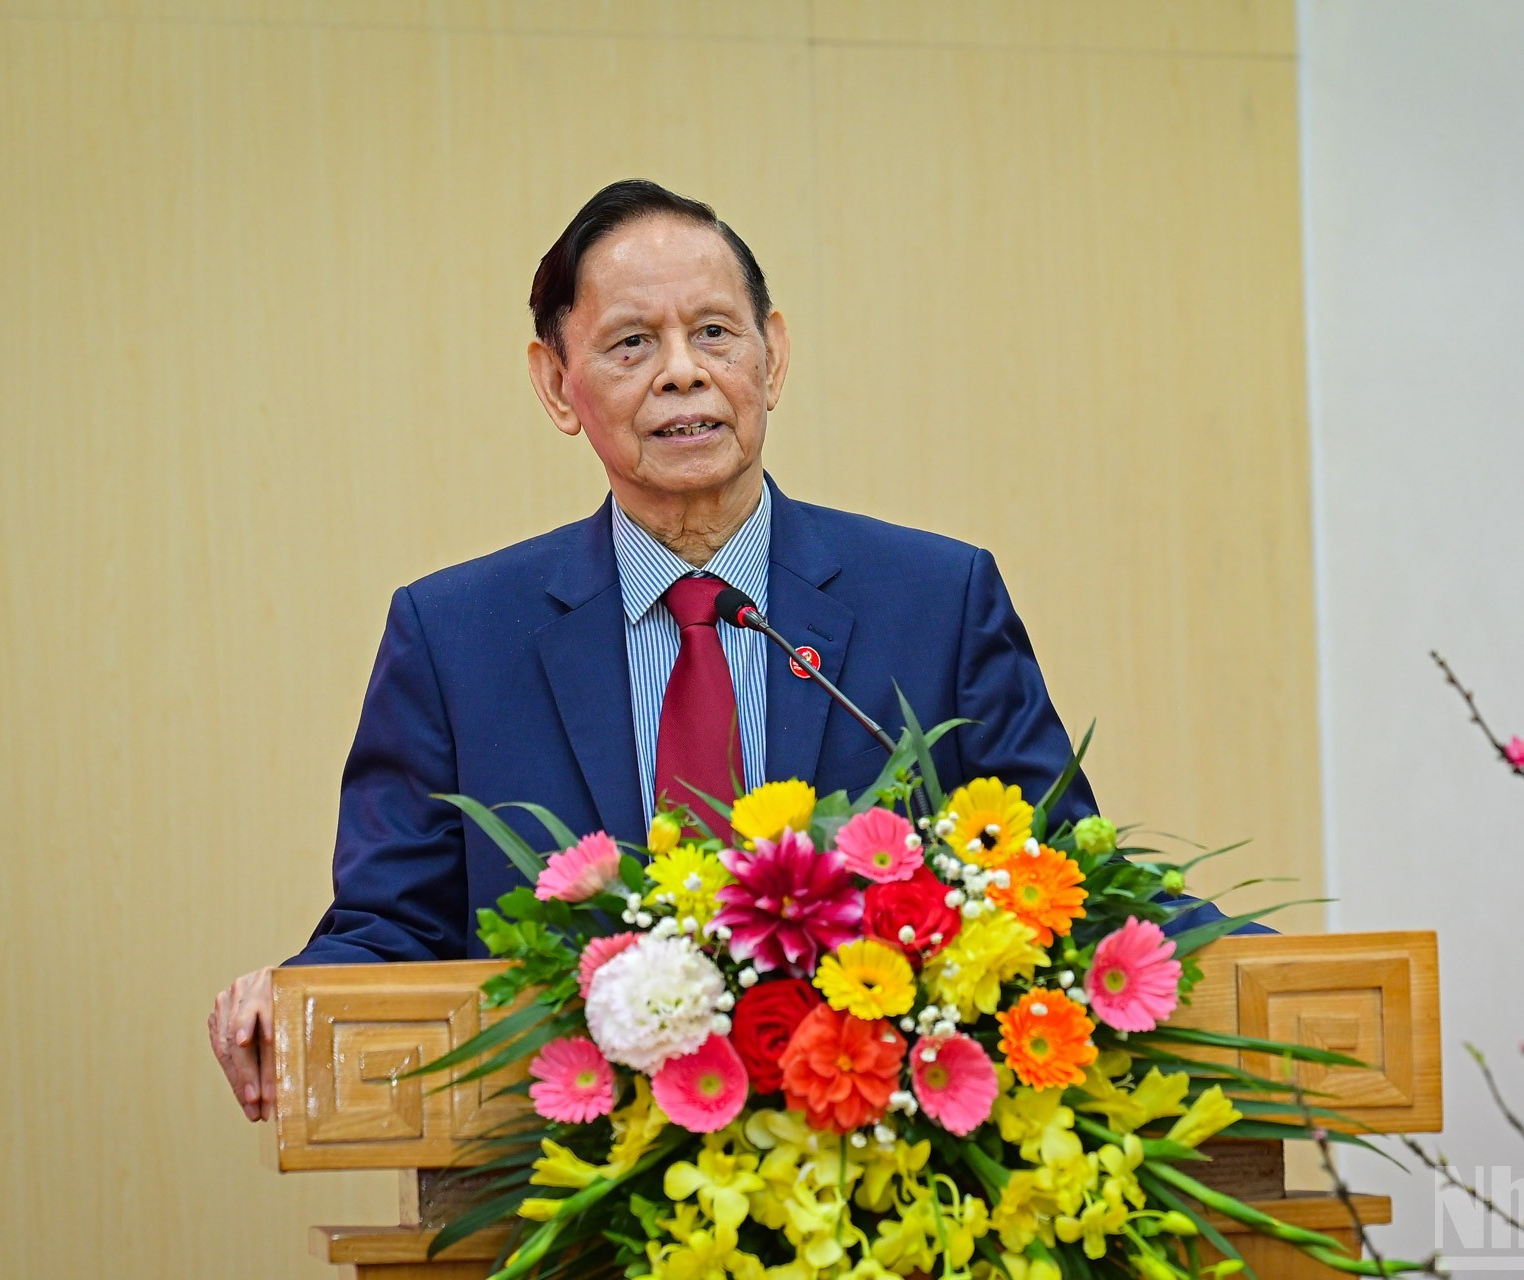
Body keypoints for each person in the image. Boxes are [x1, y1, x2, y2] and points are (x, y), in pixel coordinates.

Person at [209, 179, 1249, 1123]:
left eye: (714, 332)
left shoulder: (934, 601)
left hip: (874, 1174)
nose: (683, 373)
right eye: (631, 344)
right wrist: (295, 993)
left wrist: (1266, 972)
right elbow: (393, 927)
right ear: (556, 384)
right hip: (568, 1176)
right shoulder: (457, 637)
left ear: (772, 355)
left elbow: (1061, 873)